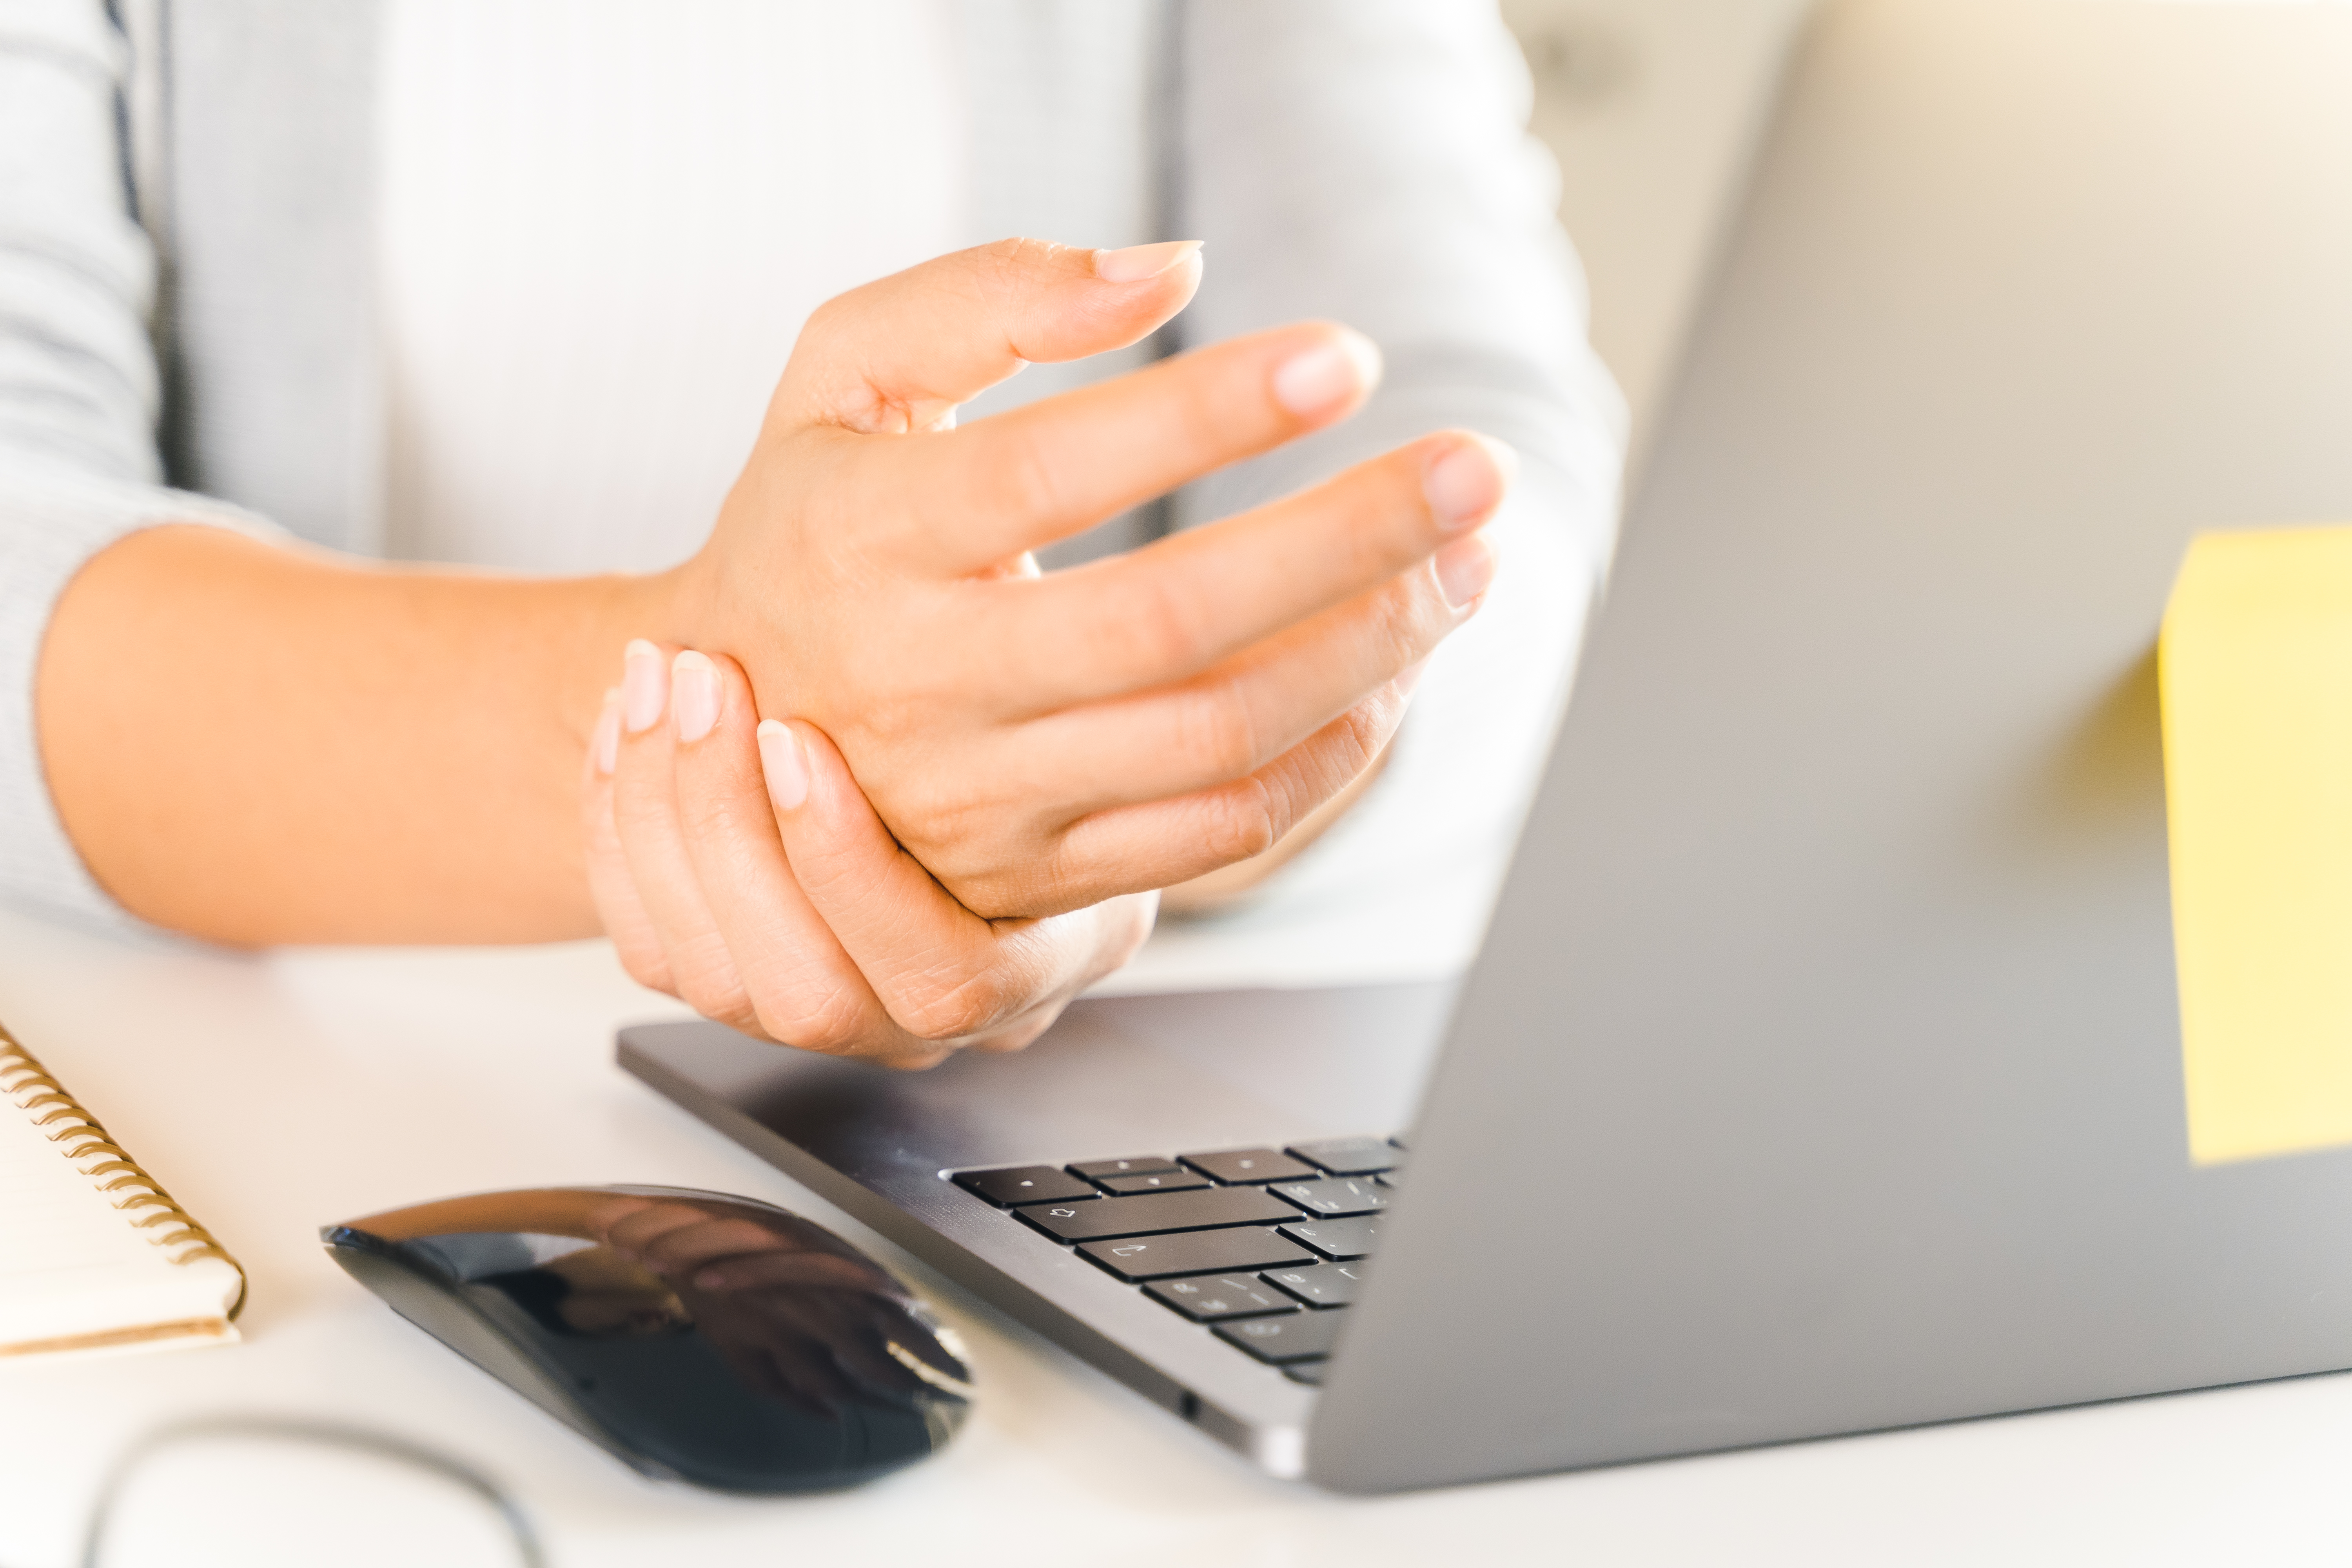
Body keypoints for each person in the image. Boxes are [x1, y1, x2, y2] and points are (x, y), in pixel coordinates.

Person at [1, 0, 1623, 1063]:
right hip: (269, 1090)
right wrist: (785, 732)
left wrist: (1179, 767)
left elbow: (1493, 439)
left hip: (1045, 1105)